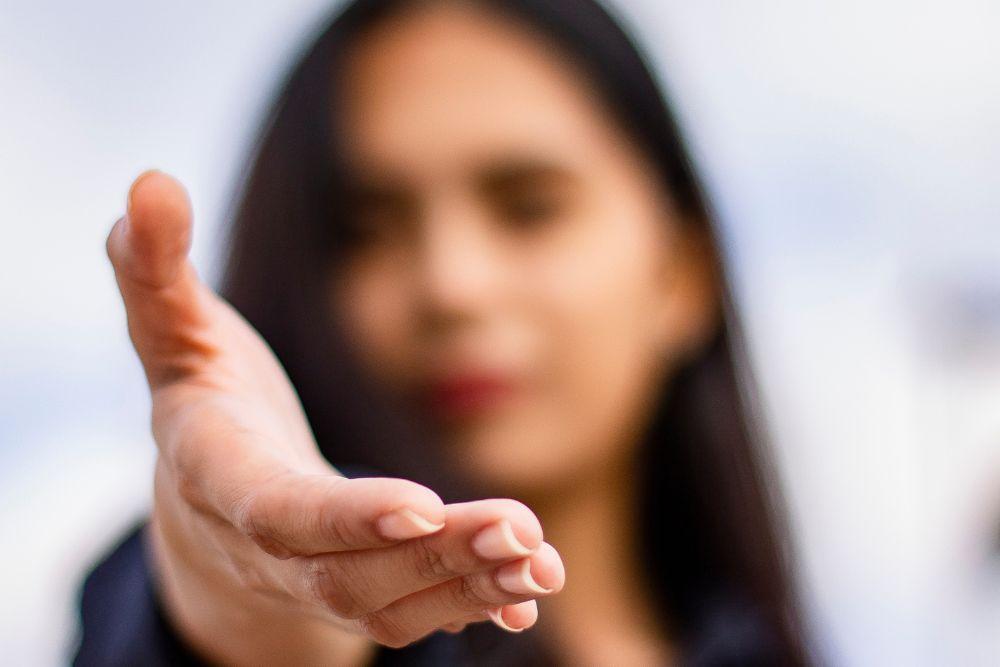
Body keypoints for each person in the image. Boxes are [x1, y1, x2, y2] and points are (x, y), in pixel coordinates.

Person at [73, 0, 812, 664]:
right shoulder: (184, 608)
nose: (450, 285)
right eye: (366, 232)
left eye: (530, 208)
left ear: (680, 275)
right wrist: (248, 591)